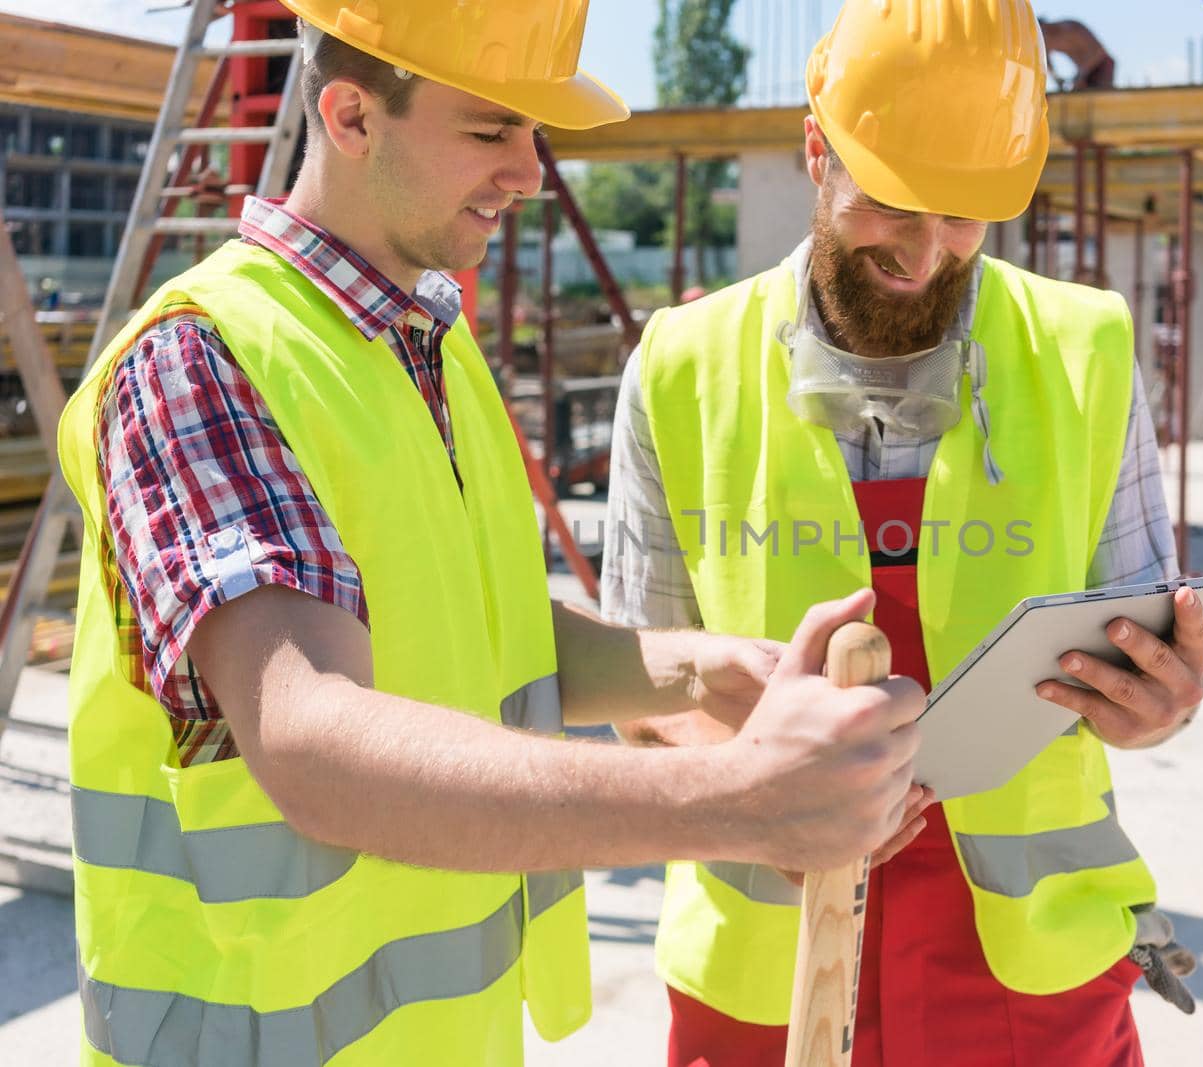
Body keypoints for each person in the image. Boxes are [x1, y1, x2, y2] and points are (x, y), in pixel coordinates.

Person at [56, 3, 924, 1064]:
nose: (529, 172)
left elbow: (481, 629)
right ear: (351, 115)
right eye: (490, 131)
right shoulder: (198, 358)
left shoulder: (426, 343)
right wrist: (737, 802)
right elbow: (310, 740)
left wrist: (700, 672)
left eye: (534, 135)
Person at [601, 1, 1203, 1064]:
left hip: (1030, 981)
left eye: (965, 215)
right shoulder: (679, 363)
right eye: (894, 204)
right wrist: (757, 798)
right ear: (815, 151)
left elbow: (1134, 661)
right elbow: (633, 684)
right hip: (762, 970)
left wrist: (1156, 705)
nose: (929, 251)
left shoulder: (1086, 349)